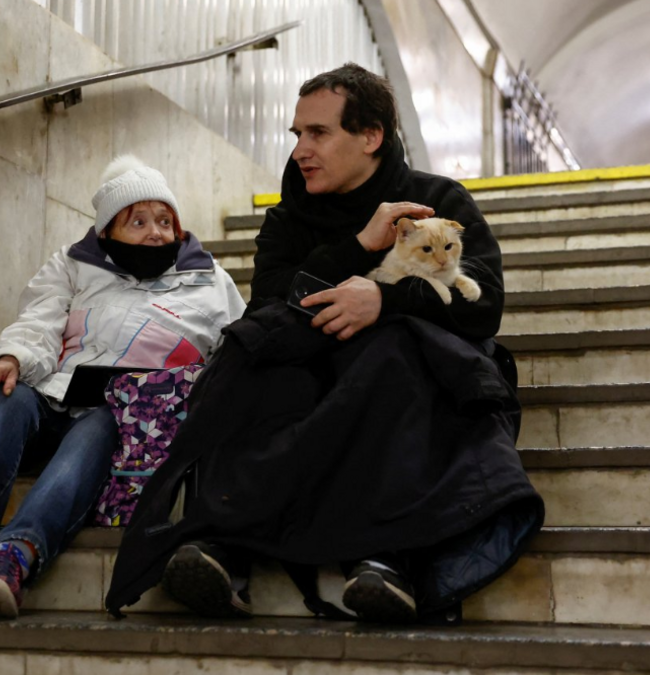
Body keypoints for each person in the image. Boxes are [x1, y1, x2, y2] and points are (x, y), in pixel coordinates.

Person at [104, 64, 543, 624]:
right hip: (308, 375)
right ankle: (222, 544)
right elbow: (268, 307)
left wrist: (388, 301)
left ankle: (386, 558)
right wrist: (360, 246)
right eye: (297, 135)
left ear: (370, 137)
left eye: (319, 133)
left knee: (391, 354)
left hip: (395, 381)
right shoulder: (288, 221)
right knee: (250, 358)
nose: (301, 149)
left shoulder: (434, 200)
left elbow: (485, 306)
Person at [0, 156, 246, 618]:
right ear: (107, 233)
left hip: (126, 414)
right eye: (138, 221)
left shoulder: (211, 280)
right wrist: (12, 356)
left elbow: (232, 354)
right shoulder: (74, 265)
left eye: (165, 221)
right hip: (58, 393)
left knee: (99, 426)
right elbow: (39, 319)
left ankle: (14, 555)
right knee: (4, 400)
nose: (156, 232)